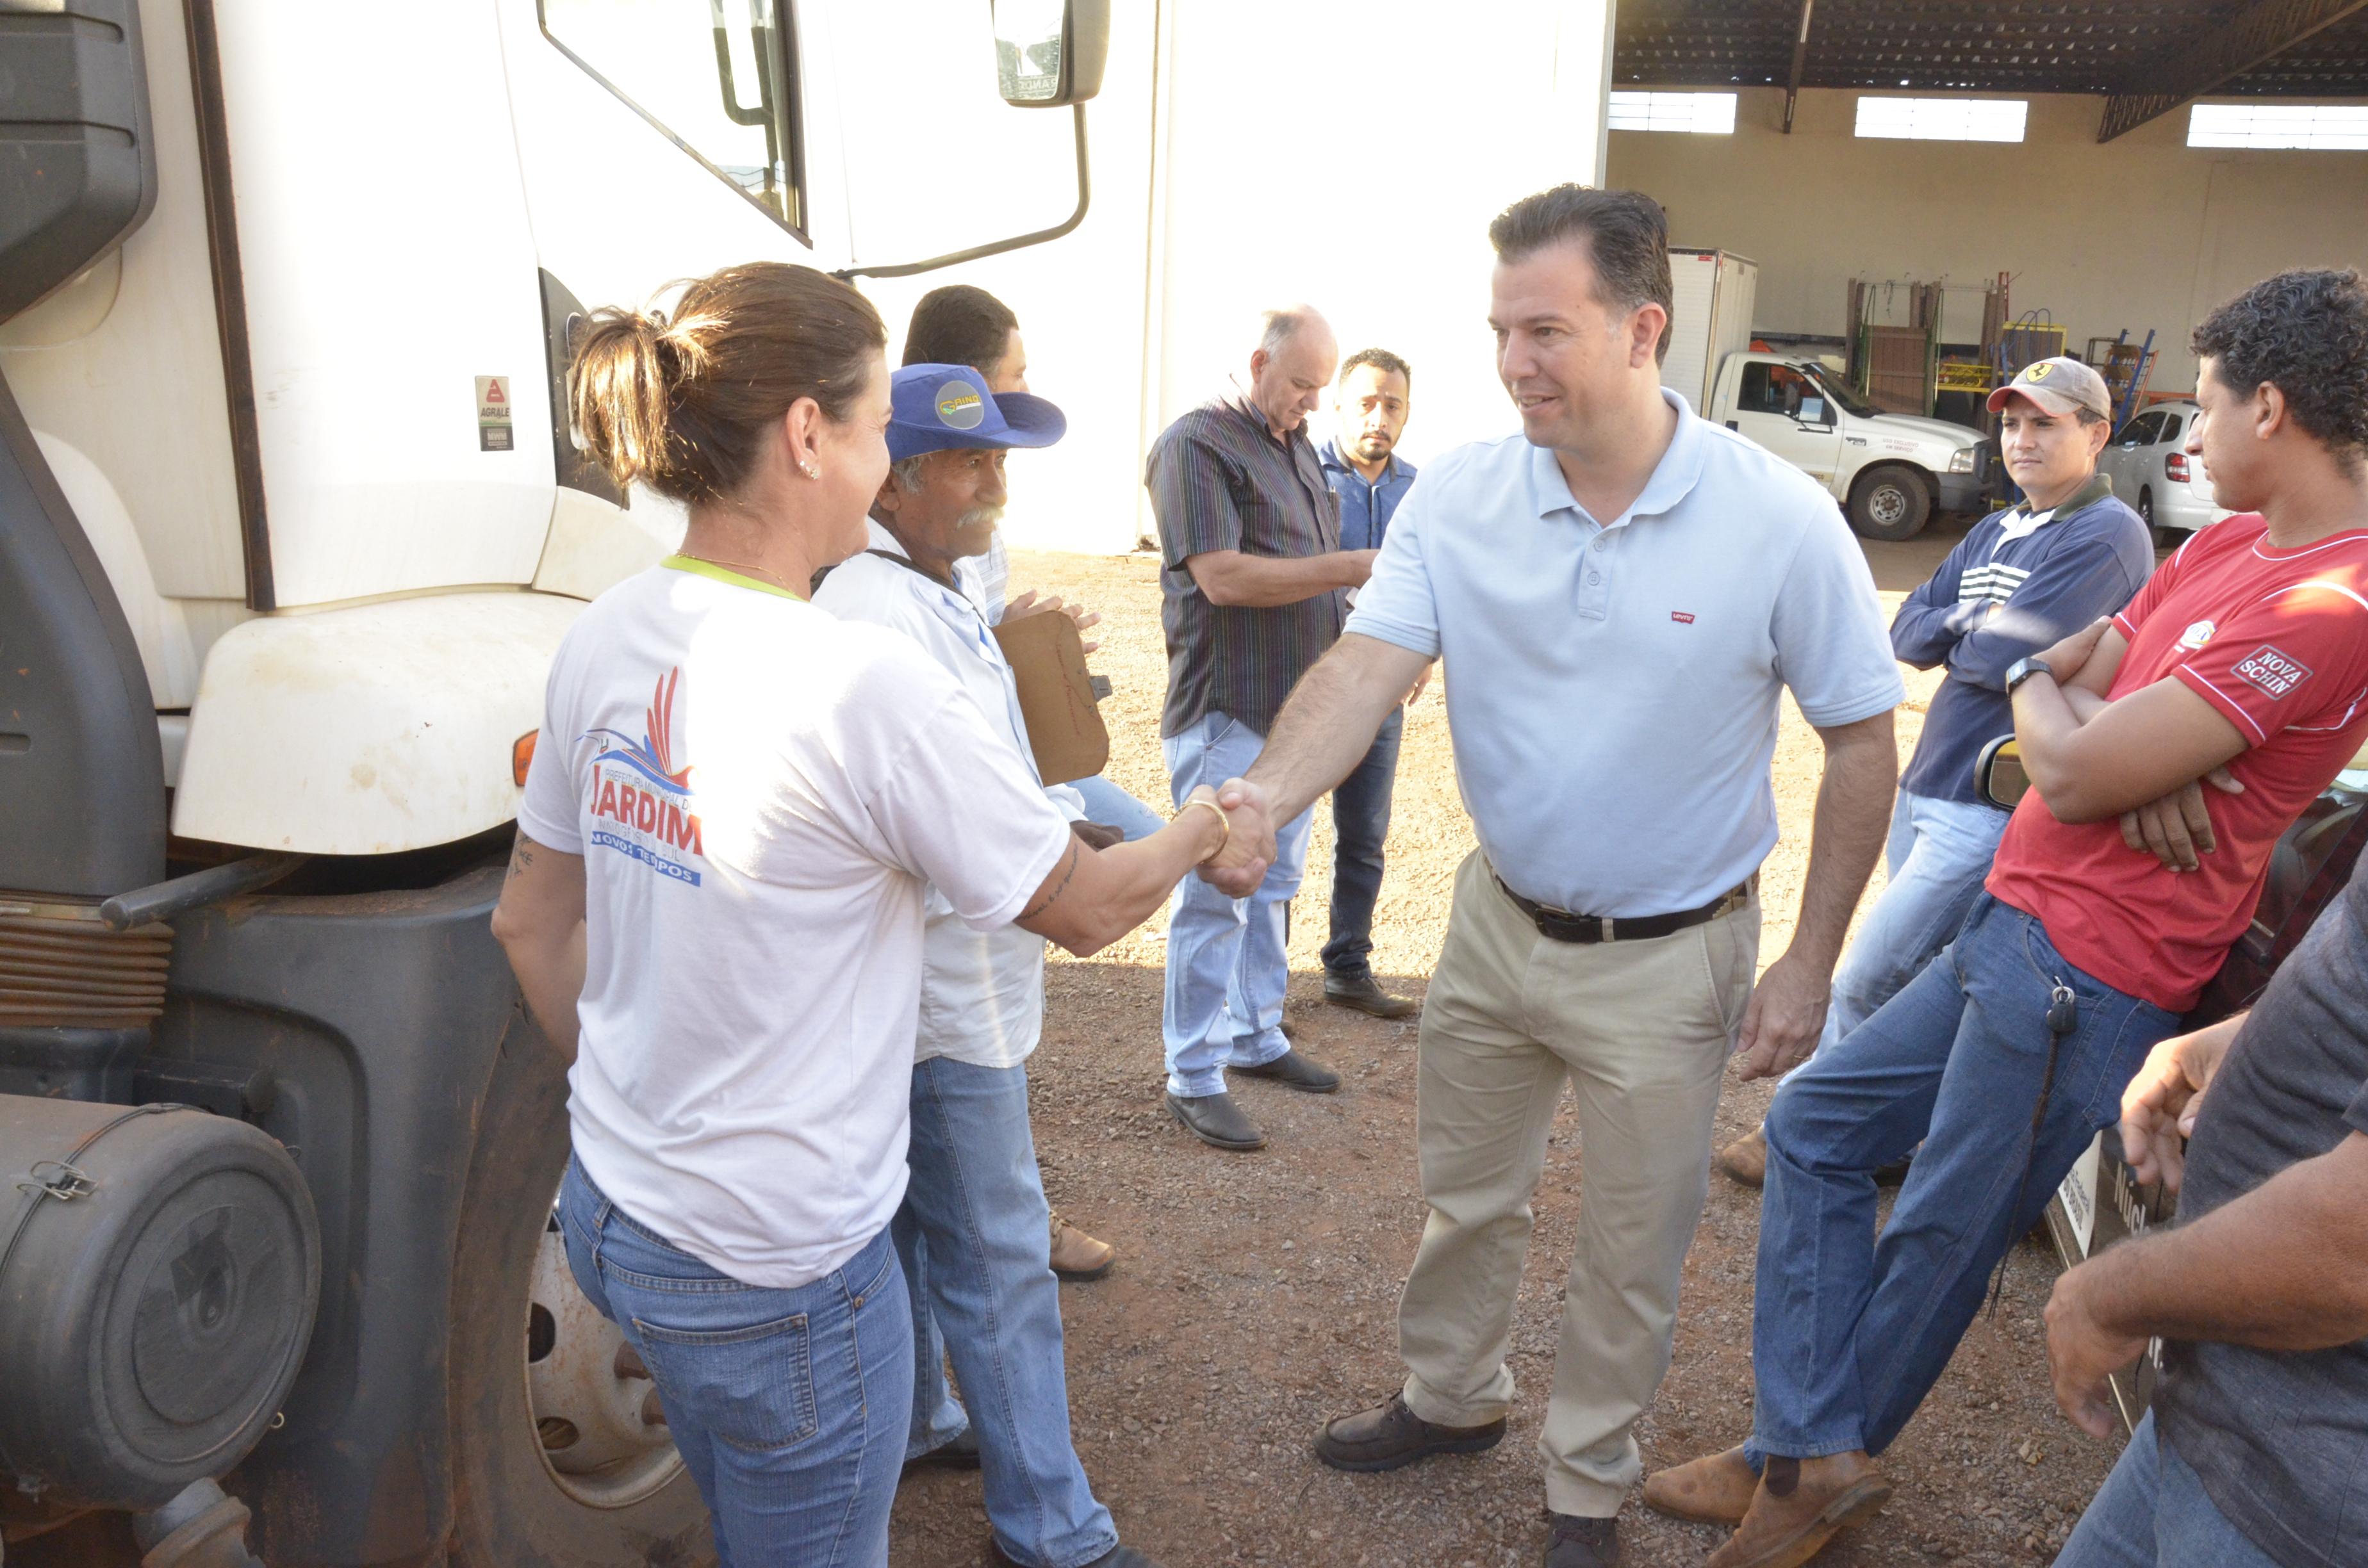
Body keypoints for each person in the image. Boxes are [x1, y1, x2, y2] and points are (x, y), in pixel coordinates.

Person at [491, 261, 1249, 1568]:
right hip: (781, 1275)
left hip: (621, 1216)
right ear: (808, 436)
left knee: (747, 1517)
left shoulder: (608, 632)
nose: (886, 450)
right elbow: (1078, 908)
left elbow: (528, 924)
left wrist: (643, 1114)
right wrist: (1205, 826)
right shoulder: (855, 683)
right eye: (873, 421)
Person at [1205, 187, 1905, 1568]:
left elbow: (1862, 740)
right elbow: (1364, 671)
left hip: (1674, 953)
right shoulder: (1462, 495)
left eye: (1547, 330)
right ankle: (1452, 1397)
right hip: (1494, 926)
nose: (1516, 361)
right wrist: (1261, 802)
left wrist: (1812, 961)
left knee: (1633, 1249)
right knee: (1467, 1194)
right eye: (1500, 331)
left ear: (1644, 328)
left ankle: (1587, 1483)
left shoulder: (1776, 518)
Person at [1650, 267, 2368, 1568]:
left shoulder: (2336, 600)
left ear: (2273, 408)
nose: (2190, 440)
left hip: (2092, 975)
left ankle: (1801, 1472)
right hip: (2019, 919)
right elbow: (2083, 674)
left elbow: (2074, 741)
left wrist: (2065, 719)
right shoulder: (2222, 546)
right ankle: (1806, 1451)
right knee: (1814, 1126)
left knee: (1942, 1225)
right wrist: (2082, 716)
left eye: (2203, 410)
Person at [811, 363, 1155, 1568]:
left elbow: (980, 783)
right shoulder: (875, 610)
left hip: (941, 989)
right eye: (969, 461)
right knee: (1002, 1261)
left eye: (1000, 459)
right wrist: (1111, 846)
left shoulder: (921, 587)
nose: (993, 482)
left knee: (913, 1233)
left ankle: (920, 1421)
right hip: (941, 1006)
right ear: (894, 479)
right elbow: (947, 823)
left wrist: (1062, 822)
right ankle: (1051, 1528)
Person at [1715, 357, 2154, 1187]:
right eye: (2013, 422)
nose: (2021, 438)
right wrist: (1968, 622)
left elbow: (2010, 655)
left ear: (2096, 435)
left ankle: (1798, 1131)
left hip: (1990, 804)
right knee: (1918, 979)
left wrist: (1965, 626)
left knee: (1873, 969)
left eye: (2045, 423)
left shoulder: (2107, 535)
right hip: (1929, 784)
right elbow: (1905, 632)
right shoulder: (1998, 529)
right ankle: (1884, 1141)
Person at [902, 282, 1144, 1279]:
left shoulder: (967, 528)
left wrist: (1019, 644)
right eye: (1014, 380)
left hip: (1001, 792)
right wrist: (1210, 834)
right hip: (974, 829)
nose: (1021, 396)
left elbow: (964, 650)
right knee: (1107, 875)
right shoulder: (880, 581)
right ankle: (1011, 1222)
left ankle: (1003, 1204)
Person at [2048, 862, 2368, 1568]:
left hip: (2306, 1500)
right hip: (2234, 1417)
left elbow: (2354, 1255)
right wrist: (2272, 1027)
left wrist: (2105, 1299)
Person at [1147, 305, 1374, 1152]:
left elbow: (1310, 584)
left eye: (1321, 388)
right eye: (1301, 385)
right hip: (1229, 708)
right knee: (1216, 893)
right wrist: (1353, 564)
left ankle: (1255, 1035)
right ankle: (1194, 1074)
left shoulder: (1294, 447)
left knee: (1273, 884)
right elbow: (1225, 578)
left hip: (1295, 713)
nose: (1312, 404)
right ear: (1258, 363)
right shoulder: (1196, 445)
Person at [1315, 347, 1428, 1020]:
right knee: (1279, 837)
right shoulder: (1306, 476)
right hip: (1304, 686)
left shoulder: (1419, 489)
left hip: (1380, 694)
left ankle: (1347, 967)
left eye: (1392, 405)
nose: (1378, 418)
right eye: (1365, 402)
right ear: (1338, 405)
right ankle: (1260, 989)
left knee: (1364, 835)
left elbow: (1433, 585)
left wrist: (1423, 659)